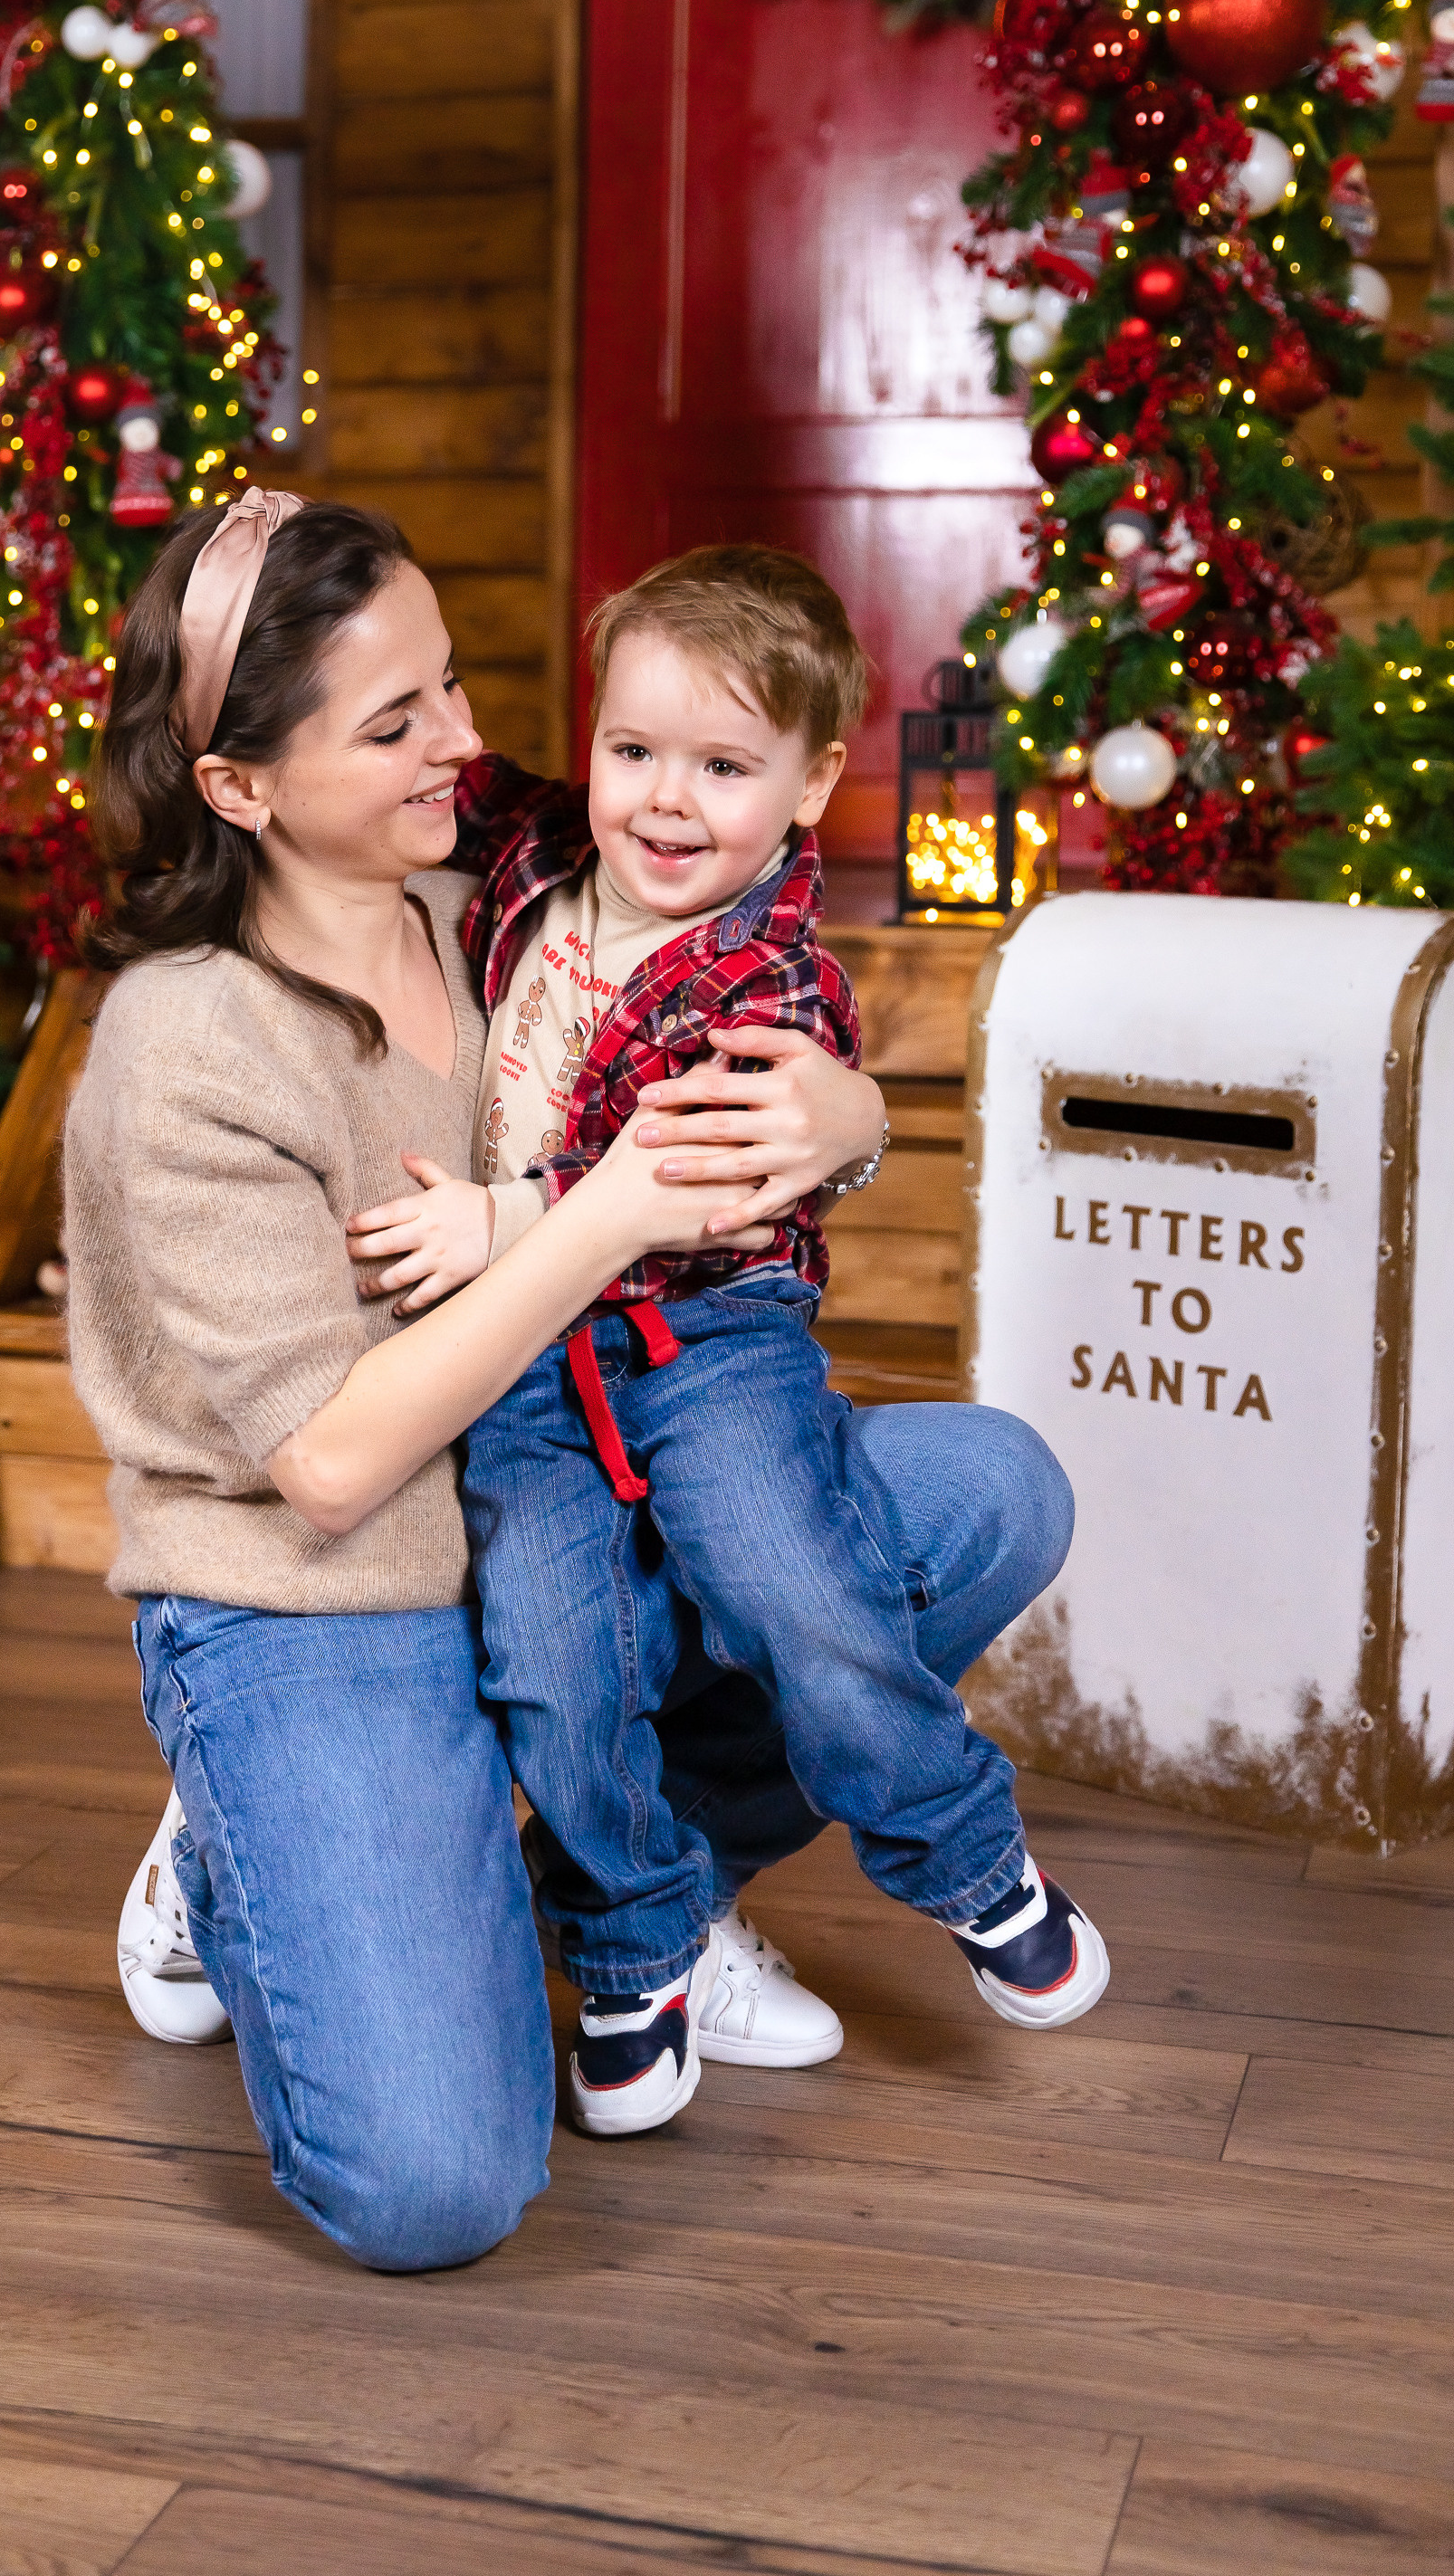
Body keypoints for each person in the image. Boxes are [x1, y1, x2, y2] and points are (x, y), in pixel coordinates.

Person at [70, 490, 1070, 2274]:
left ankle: (638, 1894)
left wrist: (851, 1116)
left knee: (980, 1493)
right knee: (436, 2187)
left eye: (452, 685)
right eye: (399, 724)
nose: (469, 739)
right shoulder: (192, 1046)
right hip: (327, 1571)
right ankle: (235, 1844)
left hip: (540, 1473)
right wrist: (605, 1206)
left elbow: (747, 991)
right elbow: (326, 1462)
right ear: (244, 788)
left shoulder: (509, 878)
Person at [341, 547, 1105, 2140]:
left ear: (816, 781)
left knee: (784, 1571)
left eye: (725, 767)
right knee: (556, 1648)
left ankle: (961, 1852)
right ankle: (632, 1943)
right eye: (635, 751)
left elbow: (678, 1175)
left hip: (706, 1332)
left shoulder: (768, 975)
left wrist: (503, 1216)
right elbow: (428, 767)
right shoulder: (548, 851)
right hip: (535, 1363)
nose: (666, 802)